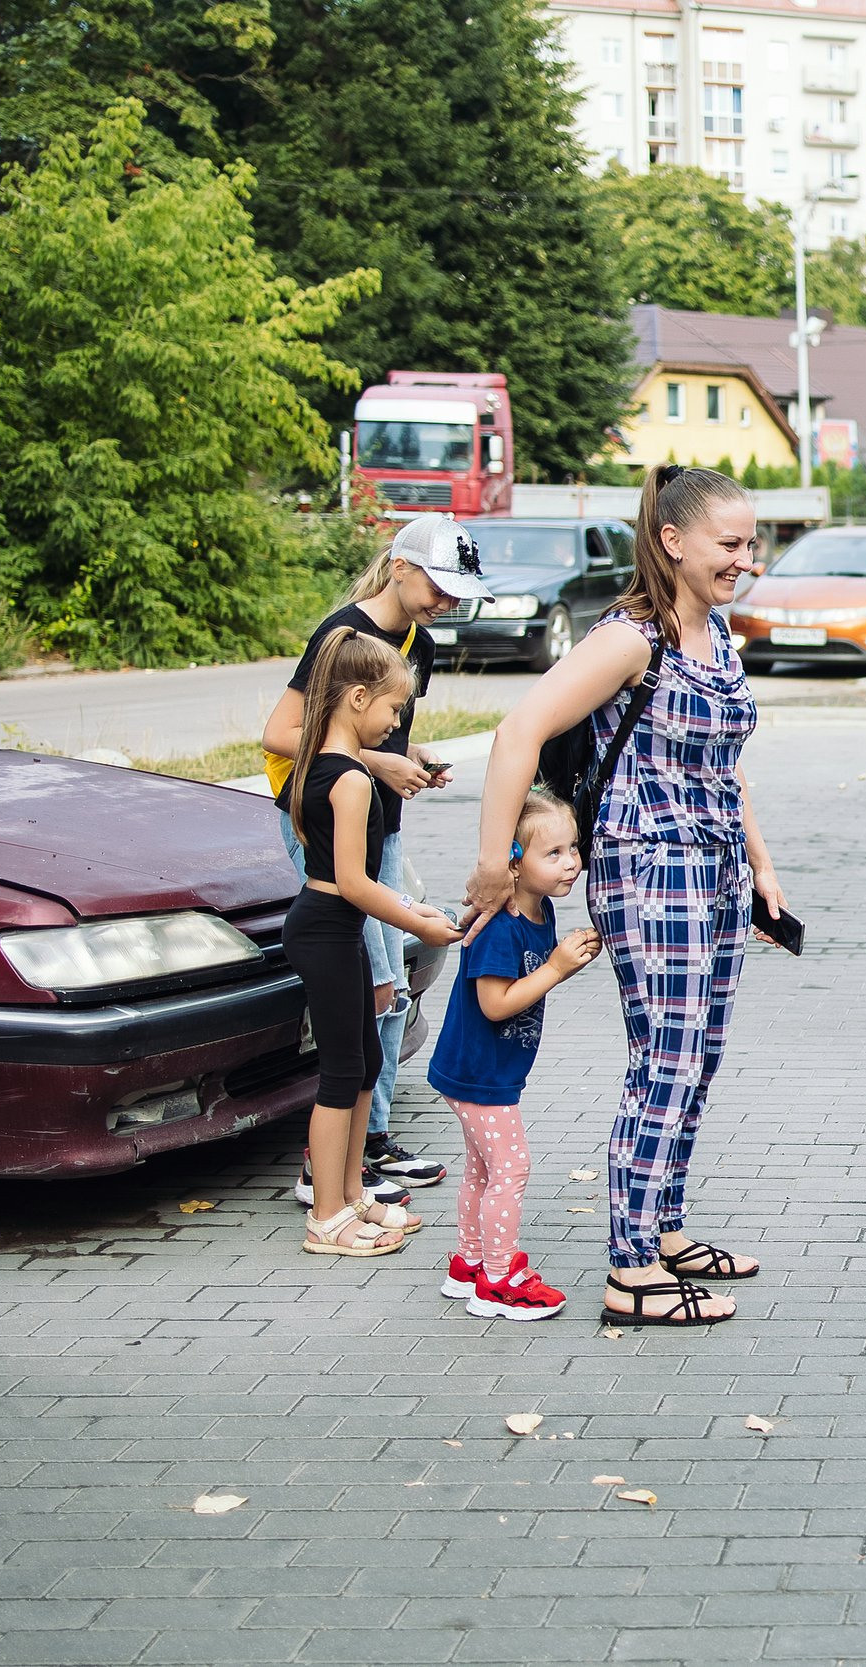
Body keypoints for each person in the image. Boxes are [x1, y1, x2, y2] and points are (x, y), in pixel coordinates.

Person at [462, 464, 785, 1328]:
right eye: (729, 544)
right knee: (664, 1062)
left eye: (750, 543)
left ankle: (665, 1228)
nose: (744, 559)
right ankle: (630, 1267)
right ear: (672, 542)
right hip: (649, 871)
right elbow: (517, 729)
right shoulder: (629, 639)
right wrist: (496, 860)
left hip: (716, 872)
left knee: (698, 1058)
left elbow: (726, 761)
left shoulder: (714, 635)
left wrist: (761, 865)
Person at [265, 515, 492, 1204]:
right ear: (399, 567)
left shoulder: (416, 641)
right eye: (438, 585)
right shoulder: (345, 634)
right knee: (375, 989)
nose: (447, 601)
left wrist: (411, 756)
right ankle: (331, 1170)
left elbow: (382, 732)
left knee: (389, 996)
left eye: (458, 592)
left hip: (377, 821)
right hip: (332, 821)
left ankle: (373, 1142)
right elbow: (283, 735)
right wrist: (377, 763)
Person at [278, 628, 460, 1256]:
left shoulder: (324, 767)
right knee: (340, 1073)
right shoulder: (350, 780)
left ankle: (354, 1192)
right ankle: (326, 1216)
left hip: (336, 929)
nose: (395, 724)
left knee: (367, 1063)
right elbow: (353, 881)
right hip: (327, 929)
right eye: (392, 709)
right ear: (357, 698)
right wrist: (417, 921)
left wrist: (409, 910)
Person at [427, 792, 601, 1317]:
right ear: (513, 863)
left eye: (574, 848)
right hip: (476, 1070)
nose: (571, 862)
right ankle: (499, 1280)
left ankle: (470, 1263)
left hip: (488, 1068)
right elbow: (496, 1004)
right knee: (512, 1166)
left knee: (483, 1169)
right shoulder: (500, 925)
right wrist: (556, 968)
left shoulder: (538, 909)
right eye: (554, 853)